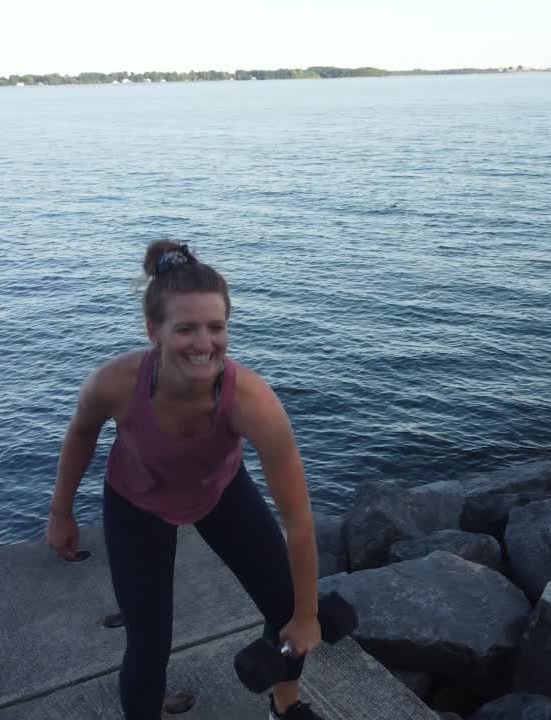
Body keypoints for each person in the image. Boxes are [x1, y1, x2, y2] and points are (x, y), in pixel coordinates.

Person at [45, 241, 324, 720]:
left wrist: (307, 617)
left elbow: (297, 520)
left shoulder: (253, 402)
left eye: (217, 327)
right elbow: (81, 433)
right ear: (154, 330)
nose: (204, 343)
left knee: (285, 604)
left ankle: (285, 706)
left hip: (219, 491)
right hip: (137, 499)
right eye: (186, 328)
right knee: (150, 643)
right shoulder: (115, 383)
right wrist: (61, 512)